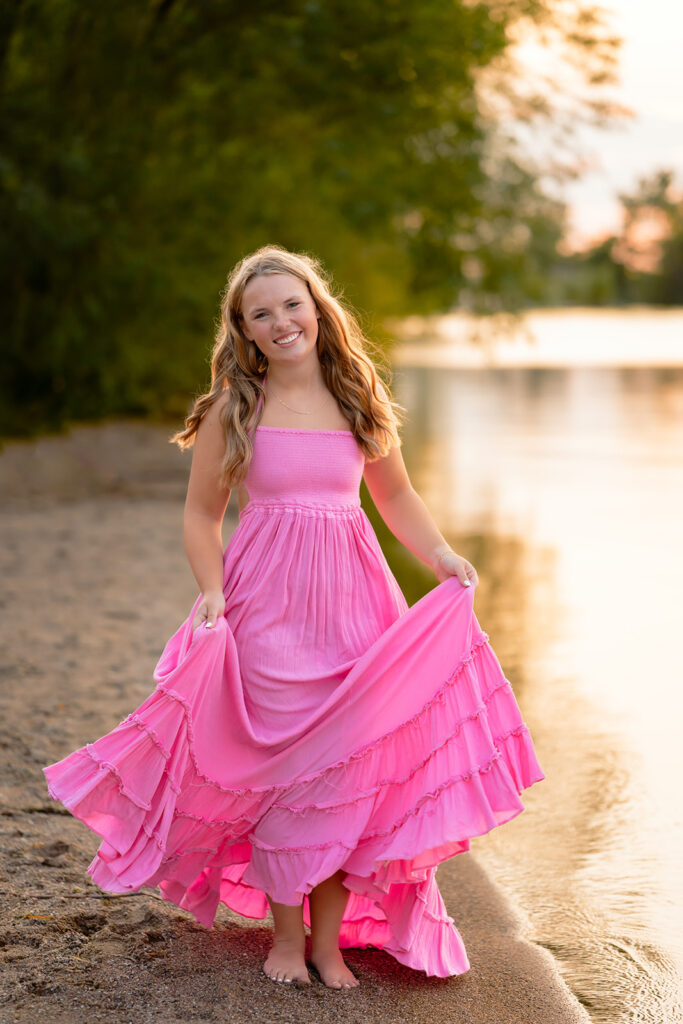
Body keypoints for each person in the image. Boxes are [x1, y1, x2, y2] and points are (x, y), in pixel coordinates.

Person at [43, 245, 544, 990]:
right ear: (243, 330)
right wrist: (212, 592)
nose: (281, 322)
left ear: (317, 306)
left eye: (291, 305)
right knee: (284, 769)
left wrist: (439, 554)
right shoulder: (233, 407)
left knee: (343, 773)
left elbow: (394, 496)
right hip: (265, 605)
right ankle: (285, 935)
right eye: (261, 314)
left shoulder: (356, 393)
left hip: (356, 605)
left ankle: (328, 941)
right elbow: (200, 515)